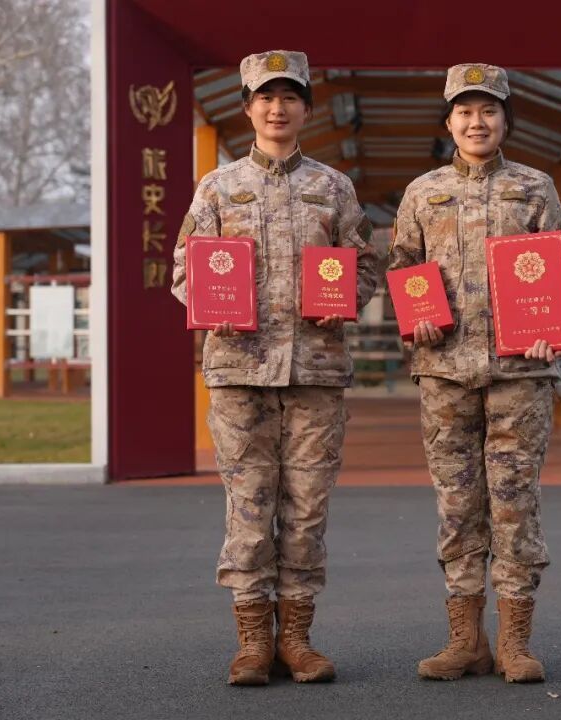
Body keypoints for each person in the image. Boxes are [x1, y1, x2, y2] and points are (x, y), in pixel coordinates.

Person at [170, 49, 379, 686]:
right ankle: (253, 641)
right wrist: (212, 308)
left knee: (308, 507)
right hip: (239, 370)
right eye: (266, 97)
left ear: (307, 109)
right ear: (248, 108)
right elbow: (185, 269)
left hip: (315, 370)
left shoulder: (333, 187)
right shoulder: (218, 187)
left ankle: (299, 639)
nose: (277, 107)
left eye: (289, 97)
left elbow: (363, 265)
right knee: (248, 506)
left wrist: (343, 304)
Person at [387, 63, 561, 683]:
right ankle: (465, 640)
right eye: (465, 112)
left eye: (488, 110)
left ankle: (516, 642)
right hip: (443, 371)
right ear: (449, 123)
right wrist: (413, 315)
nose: (477, 121)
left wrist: (555, 326)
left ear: (504, 119)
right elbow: (404, 266)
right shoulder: (422, 191)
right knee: (457, 505)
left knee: (515, 502)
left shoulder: (535, 188)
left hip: (521, 372)